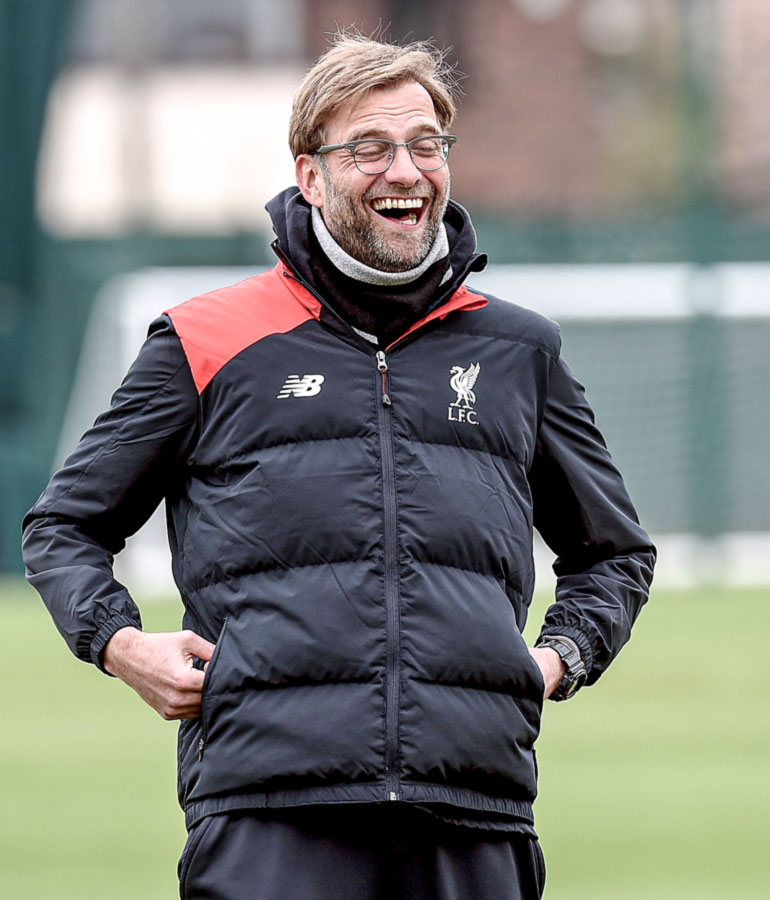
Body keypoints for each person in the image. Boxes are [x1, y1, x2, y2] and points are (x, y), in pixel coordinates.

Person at [22, 32, 655, 900]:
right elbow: (64, 527)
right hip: (264, 810)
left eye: (426, 144)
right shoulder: (207, 340)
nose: (406, 170)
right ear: (311, 175)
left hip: (473, 808)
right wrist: (122, 645)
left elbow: (614, 553)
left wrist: (556, 660)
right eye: (371, 147)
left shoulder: (520, 350)